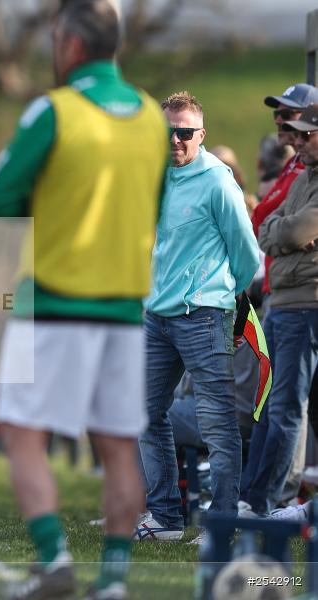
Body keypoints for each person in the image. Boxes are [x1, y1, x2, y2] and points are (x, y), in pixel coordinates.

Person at [0, 1, 167, 598]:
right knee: (118, 446)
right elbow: (156, 204)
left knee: (23, 432)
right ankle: (113, 580)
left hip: (53, 302)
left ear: (72, 44)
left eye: (56, 39)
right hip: (126, 308)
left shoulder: (54, 109)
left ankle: (54, 559)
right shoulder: (152, 118)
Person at [138, 91, 259, 543]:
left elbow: (247, 253)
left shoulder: (218, 182)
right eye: (167, 132)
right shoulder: (155, 177)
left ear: (201, 134)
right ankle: (166, 518)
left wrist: (226, 298)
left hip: (204, 316)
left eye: (185, 132)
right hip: (157, 316)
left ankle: (223, 523)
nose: (175, 140)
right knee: (144, 413)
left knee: (218, 425)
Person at [238, 84, 318, 518]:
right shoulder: (302, 175)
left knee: (286, 409)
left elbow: (292, 230)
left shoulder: (303, 173)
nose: (290, 133)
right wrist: (283, 234)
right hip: (283, 301)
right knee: (270, 408)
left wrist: (283, 232)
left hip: (303, 305)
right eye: (288, 124)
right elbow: (268, 225)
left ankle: (267, 502)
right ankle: (255, 499)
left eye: (303, 130)